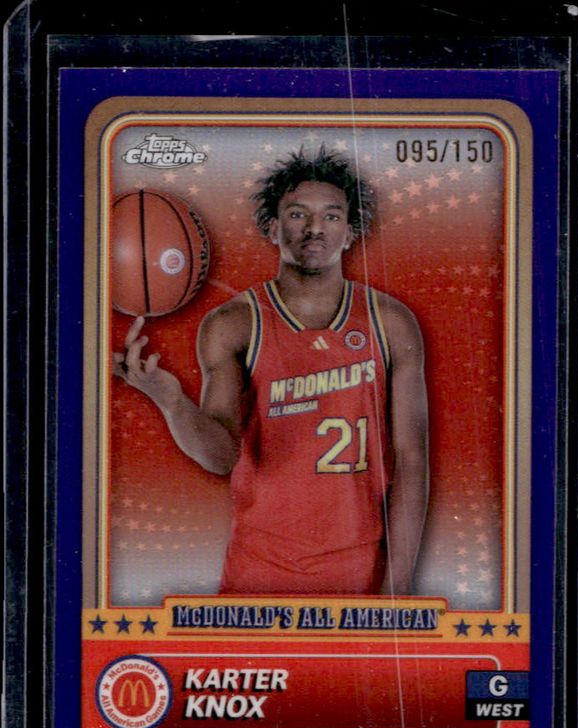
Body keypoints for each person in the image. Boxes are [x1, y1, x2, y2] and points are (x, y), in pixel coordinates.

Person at [113, 146, 428, 596]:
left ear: (350, 232)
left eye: (332, 216)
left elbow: (412, 460)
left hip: (361, 573)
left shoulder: (390, 322)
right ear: (274, 228)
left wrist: (397, 589)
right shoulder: (234, 323)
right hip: (257, 574)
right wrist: (172, 402)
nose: (315, 228)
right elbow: (221, 457)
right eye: (298, 214)